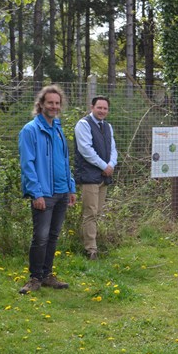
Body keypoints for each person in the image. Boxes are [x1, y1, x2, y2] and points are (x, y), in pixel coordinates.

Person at [18, 85, 76, 294]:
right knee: (40, 237)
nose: (54, 106)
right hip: (44, 194)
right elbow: (28, 165)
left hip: (61, 192)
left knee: (53, 236)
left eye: (57, 103)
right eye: (50, 102)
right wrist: (36, 193)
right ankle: (34, 278)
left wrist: (71, 188)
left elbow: (64, 161)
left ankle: (47, 275)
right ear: (41, 104)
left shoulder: (58, 129)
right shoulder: (30, 130)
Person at [74, 96, 118, 260]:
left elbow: (113, 149)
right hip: (90, 176)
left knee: (97, 212)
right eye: (99, 107)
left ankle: (92, 245)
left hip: (104, 176)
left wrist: (111, 165)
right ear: (92, 107)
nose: (102, 111)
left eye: (105, 108)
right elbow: (85, 150)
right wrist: (104, 166)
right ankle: (91, 250)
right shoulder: (83, 124)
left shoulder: (108, 127)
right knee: (90, 213)